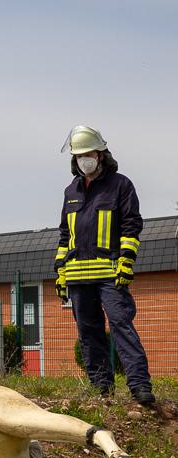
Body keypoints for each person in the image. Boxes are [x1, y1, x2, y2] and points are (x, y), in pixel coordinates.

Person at [55, 126, 155, 406]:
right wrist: (60, 270)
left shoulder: (120, 185)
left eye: (89, 154)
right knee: (88, 334)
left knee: (122, 326)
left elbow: (131, 226)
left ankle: (139, 386)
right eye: (79, 155)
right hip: (76, 276)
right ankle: (102, 388)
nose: (84, 159)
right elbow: (65, 235)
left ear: (101, 154)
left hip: (110, 274)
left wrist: (126, 262)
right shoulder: (70, 191)